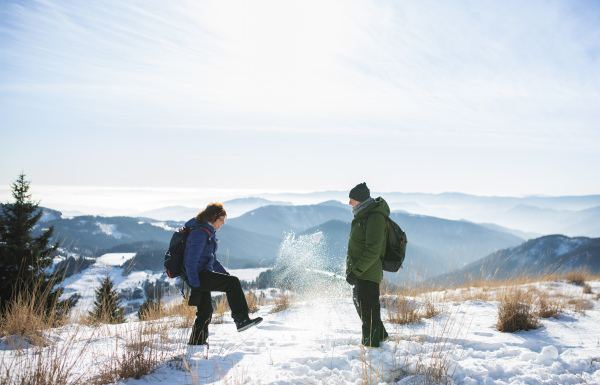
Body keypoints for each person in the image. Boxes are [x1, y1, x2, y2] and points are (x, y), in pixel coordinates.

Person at [183, 202, 262, 347]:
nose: (223, 223)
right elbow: (190, 263)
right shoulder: (200, 233)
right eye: (221, 219)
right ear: (212, 217)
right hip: (199, 275)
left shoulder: (207, 231)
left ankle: (196, 342)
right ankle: (241, 320)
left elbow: (211, 260)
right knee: (232, 283)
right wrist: (195, 286)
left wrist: (225, 275)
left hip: (200, 274)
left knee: (205, 312)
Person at [345, 182, 389, 348]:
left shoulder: (374, 218)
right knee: (362, 306)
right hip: (360, 273)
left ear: (361, 200)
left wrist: (356, 271)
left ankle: (371, 347)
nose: (349, 203)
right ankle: (382, 337)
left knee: (368, 310)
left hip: (367, 274)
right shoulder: (363, 215)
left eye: (352, 199)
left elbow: (373, 251)